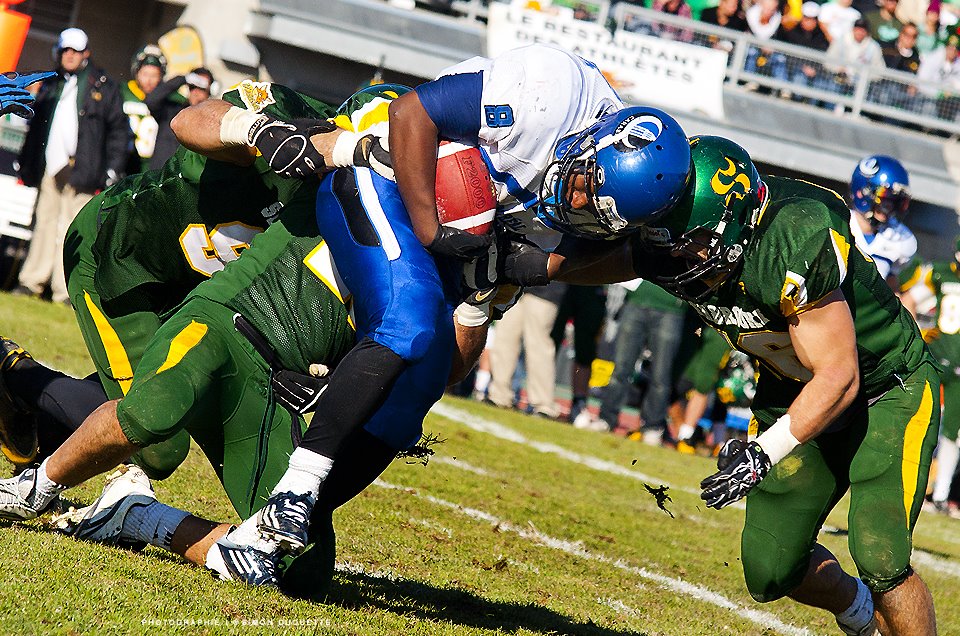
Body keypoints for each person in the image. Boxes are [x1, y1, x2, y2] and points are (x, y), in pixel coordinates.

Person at [198, 44, 691, 568]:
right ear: (597, 142)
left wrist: (497, 284)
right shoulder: (549, 92)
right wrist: (433, 231)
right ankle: (294, 492)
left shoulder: (585, 209)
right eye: (580, 188)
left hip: (469, 216)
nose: (574, 208)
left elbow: (479, 342)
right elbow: (412, 111)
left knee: (424, 380)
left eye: (594, 217)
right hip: (390, 167)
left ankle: (271, 528)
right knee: (408, 323)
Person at [547, 134, 939, 635]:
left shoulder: (793, 236)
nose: (678, 254)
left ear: (731, 228)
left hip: (887, 388)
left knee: (880, 554)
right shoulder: (684, 230)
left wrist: (764, 451)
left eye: (691, 241)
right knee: (771, 568)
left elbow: (840, 376)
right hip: (792, 387)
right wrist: (532, 268)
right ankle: (860, 614)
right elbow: (632, 258)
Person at [13, 27, 130, 305]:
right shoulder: (51, 84)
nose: (70, 55)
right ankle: (31, 281)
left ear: (86, 53)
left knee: (73, 230)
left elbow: (118, 132)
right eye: (65, 50)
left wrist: (113, 169)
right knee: (44, 223)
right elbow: (35, 129)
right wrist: (28, 164)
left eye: (75, 51)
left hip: (86, 169)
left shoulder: (104, 85)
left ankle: (64, 291)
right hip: (50, 168)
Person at [575, 280, 685, 442]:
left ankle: (652, 427)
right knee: (620, 368)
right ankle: (607, 418)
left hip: (671, 308)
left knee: (661, 375)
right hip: (636, 301)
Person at [901, 238, 960, 517]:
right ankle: (902, 481)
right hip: (935, 358)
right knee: (916, 419)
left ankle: (940, 494)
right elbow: (909, 300)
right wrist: (912, 338)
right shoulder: (940, 273)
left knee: (953, 432)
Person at [488, 282, 566, 419]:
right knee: (504, 338)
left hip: (545, 287)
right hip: (513, 283)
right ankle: (499, 396)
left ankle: (543, 405)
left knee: (538, 347)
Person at [847, 155, 916, 292]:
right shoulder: (837, 222)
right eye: (884, 198)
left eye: (895, 202)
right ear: (862, 192)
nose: (889, 208)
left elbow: (890, 292)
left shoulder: (900, 240)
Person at [550, 284, 607, 423]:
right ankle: (542, 398)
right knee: (550, 343)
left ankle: (579, 402)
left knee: (585, 349)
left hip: (592, 284)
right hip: (564, 284)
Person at [144, 67, 214, 169]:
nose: (196, 92)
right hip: (158, 176)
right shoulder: (172, 111)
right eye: (192, 87)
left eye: (202, 89)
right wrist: (183, 79)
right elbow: (151, 100)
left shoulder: (209, 122)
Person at [122, 45, 166, 174]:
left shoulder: (167, 99)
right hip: (125, 163)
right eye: (145, 74)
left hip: (150, 167)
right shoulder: (121, 92)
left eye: (154, 75)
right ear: (136, 71)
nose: (149, 80)